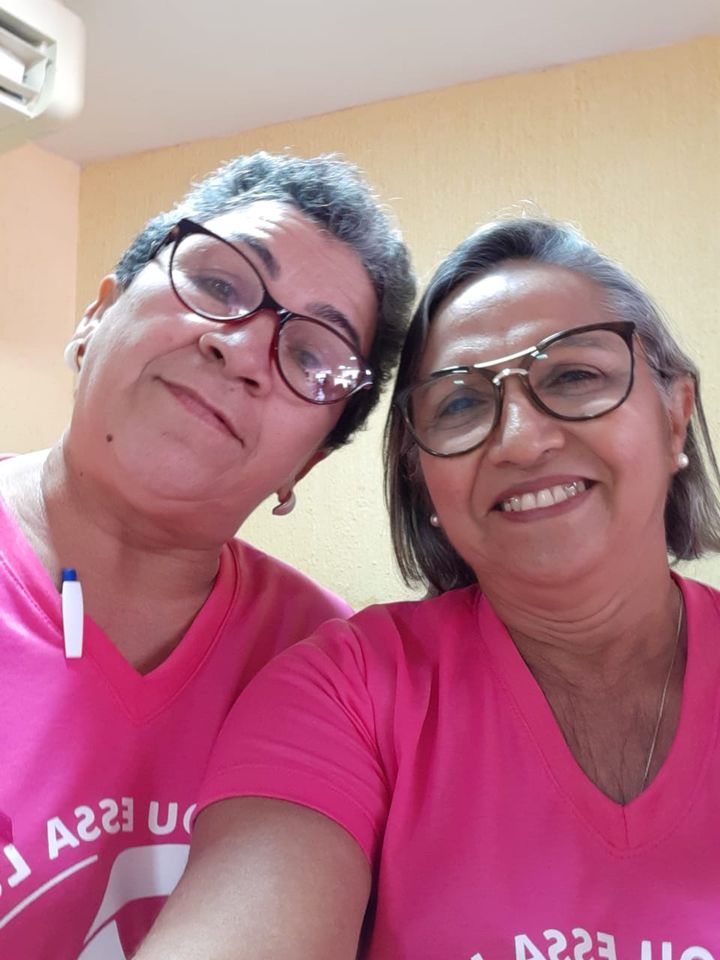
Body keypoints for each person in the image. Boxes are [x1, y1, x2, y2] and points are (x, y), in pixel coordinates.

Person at [136, 217, 720, 959]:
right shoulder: (345, 688)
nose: (521, 440)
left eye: (574, 376)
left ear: (674, 418)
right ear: (425, 480)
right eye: (461, 404)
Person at [0, 151, 415, 959]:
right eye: (219, 284)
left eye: (311, 357)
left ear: (307, 465)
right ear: (96, 317)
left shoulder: (333, 667)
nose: (244, 349)